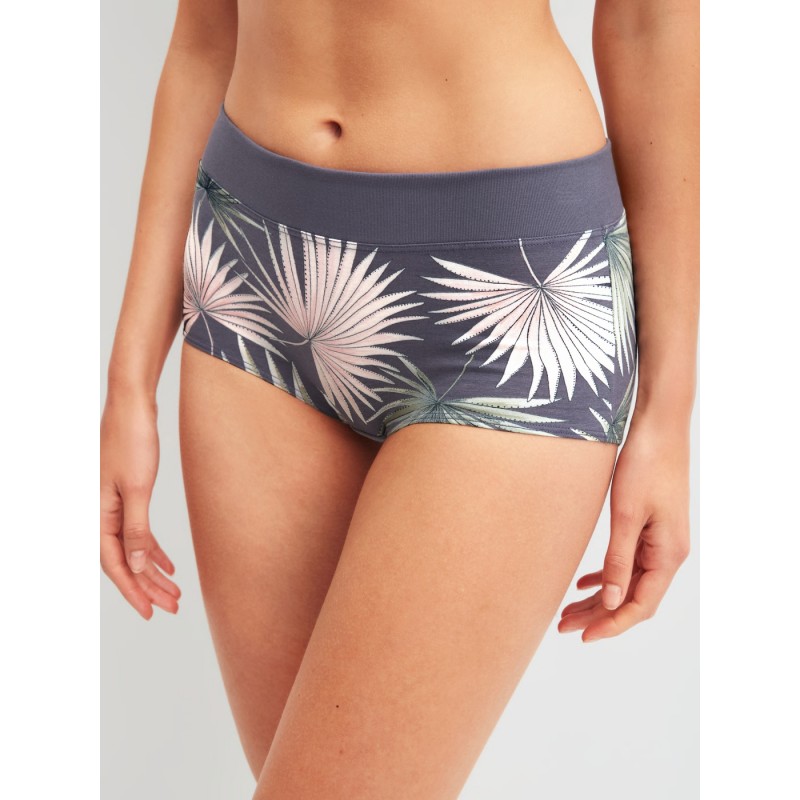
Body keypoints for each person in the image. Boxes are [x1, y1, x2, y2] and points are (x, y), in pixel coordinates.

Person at [100, 0, 698, 796]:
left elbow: (647, 27)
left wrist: (667, 413)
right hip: (250, 269)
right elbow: (206, 34)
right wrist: (128, 383)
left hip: (510, 296)